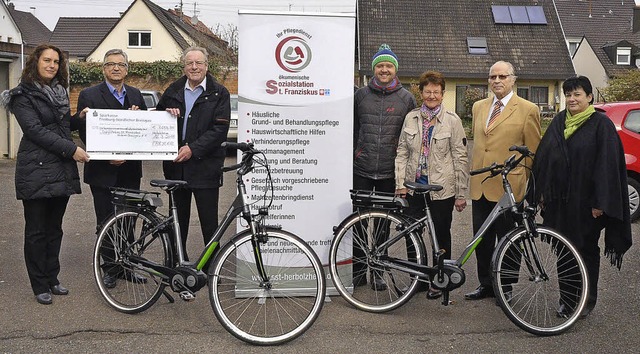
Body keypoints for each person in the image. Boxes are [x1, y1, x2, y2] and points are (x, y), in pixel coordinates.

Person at [530, 75, 632, 317]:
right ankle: (567, 299)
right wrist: (542, 191)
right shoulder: (559, 122)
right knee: (563, 251)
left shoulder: (601, 125)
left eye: (577, 94)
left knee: (585, 250)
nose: (572, 98)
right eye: (568, 94)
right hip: (559, 203)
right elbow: (544, 158)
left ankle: (586, 300)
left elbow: (606, 165)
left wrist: (600, 203)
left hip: (587, 205)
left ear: (589, 97)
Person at [5, 44, 90, 305]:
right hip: (36, 170)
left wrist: (80, 118)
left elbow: (60, 125)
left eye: (56, 62)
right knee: (36, 231)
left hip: (60, 170)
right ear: (36, 62)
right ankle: (39, 283)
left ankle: (53, 278)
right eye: (47, 60)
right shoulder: (22, 96)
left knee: (55, 229)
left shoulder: (59, 92)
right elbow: (36, 132)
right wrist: (72, 149)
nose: (52, 65)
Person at [465, 61, 541, 300]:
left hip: (510, 188)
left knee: (508, 239)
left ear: (513, 80)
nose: (496, 81)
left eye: (502, 76)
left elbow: (532, 153)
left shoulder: (528, 109)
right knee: (482, 239)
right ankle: (486, 284)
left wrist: (526, 187)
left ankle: (505, 287)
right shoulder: (479, 107)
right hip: (481, 186)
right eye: (492, 77)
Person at [75, 49, 148, 288]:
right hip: (103, 170)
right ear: (103, 69)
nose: (116, 68)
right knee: (106, 219)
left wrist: (137, 118)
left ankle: (127, 265)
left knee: (128, 219)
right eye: (111, 64)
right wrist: (108, 157)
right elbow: (86, 133)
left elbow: (144, 130)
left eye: (120, 64)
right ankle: (110, 267)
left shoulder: (136, 95)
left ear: (127, 69)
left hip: (129, 170)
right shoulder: (89, 95)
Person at [395, 71, 469, 299]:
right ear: (421, 92)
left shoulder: (452, 121)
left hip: (441, 189)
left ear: (442, 93)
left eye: (436, 92)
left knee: (441, 234)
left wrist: (461, 192)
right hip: (413, 187)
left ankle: (439, 278)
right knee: (411, 234)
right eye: (428, 91)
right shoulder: (411, 118)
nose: (432, 96)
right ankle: (417, 277)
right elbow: (402, 152)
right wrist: (400, 184)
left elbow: (460, 157)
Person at [155, 46, 230, 261]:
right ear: (184, 66)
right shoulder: (173, 90)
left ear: (206, 66)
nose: (194, 67)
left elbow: (219, 130)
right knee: (178, 219)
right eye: (190, 63)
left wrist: (193, 149)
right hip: (176, 167)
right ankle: (178, 261)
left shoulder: (219, 93)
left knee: (209, 222)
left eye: (198, 63)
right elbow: (158, 118)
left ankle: (211, 266)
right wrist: (166, 112)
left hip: (205, 168)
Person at [353, 44, 416, 290]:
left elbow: (411, 137)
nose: (384, 70)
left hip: (390, 172)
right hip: (362, 169)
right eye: (380, 66)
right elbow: (353, 129)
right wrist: (355, 154)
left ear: (395, 69)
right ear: (374, 69)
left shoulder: (406, 98)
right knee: (358, 221)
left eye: (389, 66)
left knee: (382, 224)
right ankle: (358, 270)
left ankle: (377, 270)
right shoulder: (361, 96)